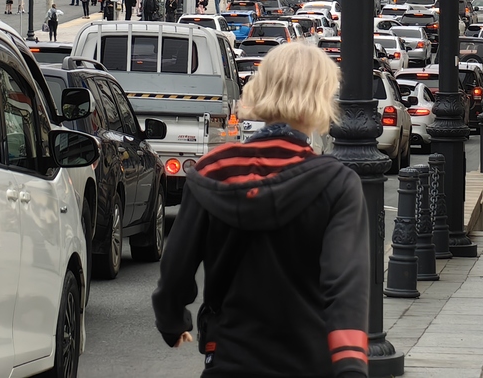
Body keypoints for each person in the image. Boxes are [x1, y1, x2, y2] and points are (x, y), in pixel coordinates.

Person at [152, 43, 369, 378]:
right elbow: (344, 288)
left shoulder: (212, 171)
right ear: (322, 97)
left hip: (229, 357)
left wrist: (172, 321)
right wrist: (351, 364)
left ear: (261, 87)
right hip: (309, 361)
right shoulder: (336, 183)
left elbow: (176, 266)